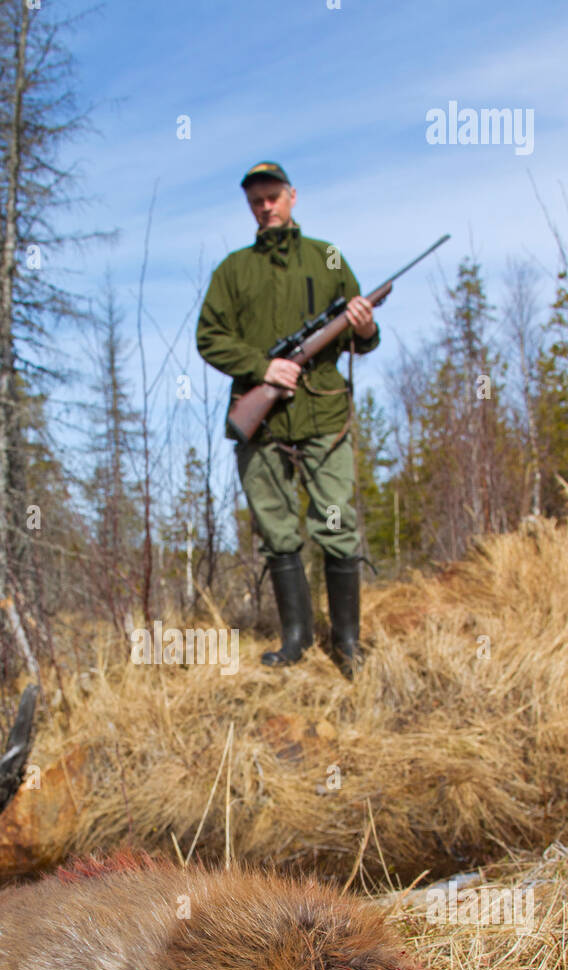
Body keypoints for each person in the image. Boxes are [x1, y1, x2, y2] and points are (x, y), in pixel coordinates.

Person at [196, 161, 380, 677]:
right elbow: (208, 337)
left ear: (292, 196)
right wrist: (263, 367)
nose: (266, 206)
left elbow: (361, 336)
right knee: (277, 532)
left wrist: (364, 329)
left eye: (273, 196)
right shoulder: (232, 271)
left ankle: (347, 644)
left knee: (337, 525)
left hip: (323, 413)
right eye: (257, 200)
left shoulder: (328, 258)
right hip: (265, 423)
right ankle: (296, 639)